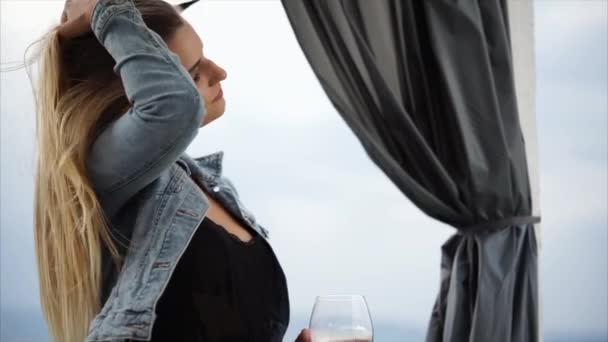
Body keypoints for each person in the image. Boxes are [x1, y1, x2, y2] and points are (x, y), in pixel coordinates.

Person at [29, 0, 311, 340]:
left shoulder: (210, 186)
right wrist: (106, 9)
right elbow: (176, 107)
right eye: (191, 74)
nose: (219, 72)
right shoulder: (103, 173)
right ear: (135, 94)